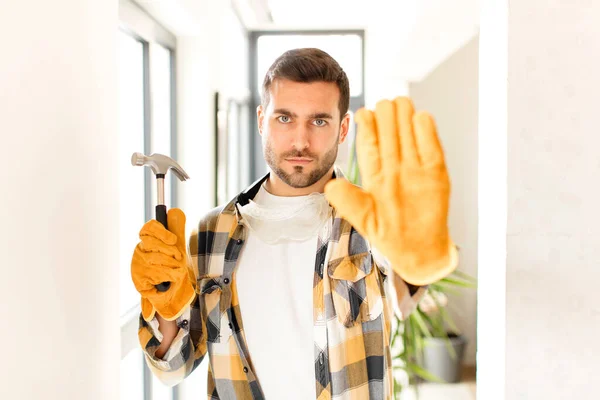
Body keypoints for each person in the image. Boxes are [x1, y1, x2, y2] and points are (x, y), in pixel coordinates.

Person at [131, 48, 459, 400]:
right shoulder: (212, 234)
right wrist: (165, 301)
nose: (301, 140)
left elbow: (403, 296)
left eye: (319, 121)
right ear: (261, 120)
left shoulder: (373, 224)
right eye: (284, 118)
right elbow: (172, 367)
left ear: (343, 127)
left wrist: (417, 268)